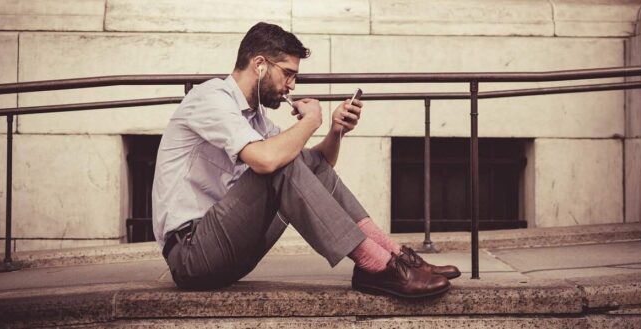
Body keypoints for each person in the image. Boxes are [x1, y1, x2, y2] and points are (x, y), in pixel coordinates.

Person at [152, 22, 460, 299]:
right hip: (192, 254)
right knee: (276, 163)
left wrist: (335, 130)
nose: (292, 86)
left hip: (231, 250)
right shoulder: (210, 99)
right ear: (260, 65)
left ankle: (395, 256)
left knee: (295, 160)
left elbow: (314, 167)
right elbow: (267, 161)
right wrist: (310, 122)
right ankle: (376, 266)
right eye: (288, 73)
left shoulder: (255, 117)